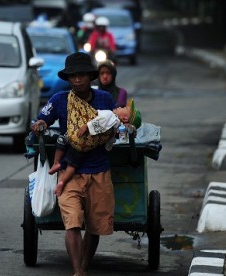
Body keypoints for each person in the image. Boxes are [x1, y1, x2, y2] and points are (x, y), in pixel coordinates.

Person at [31, 52, 115, 276]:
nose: (77, 80)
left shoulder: (105, 100)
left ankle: (84, 266)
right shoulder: (59, 99)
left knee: (95, 227)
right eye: (72, 76)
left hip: (99, 170)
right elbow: (42, 119)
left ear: (90, 77)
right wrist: (39, 124)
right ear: (68, 79)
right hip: (70, 171)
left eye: (81, 75)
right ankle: (78, 271)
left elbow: (115, 124)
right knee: (73, 224)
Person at [49, 99, 142, 197]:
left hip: (80, 136)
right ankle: (62, 181)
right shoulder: (115, 127)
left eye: (123, 108)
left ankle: (56, 163)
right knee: (72, 164)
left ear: (125, 118)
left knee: (62, 140)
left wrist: (86, 126)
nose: (120, 107)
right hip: (86, 146)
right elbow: (110, 142)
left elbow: (98, 121)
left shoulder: (111, 116)